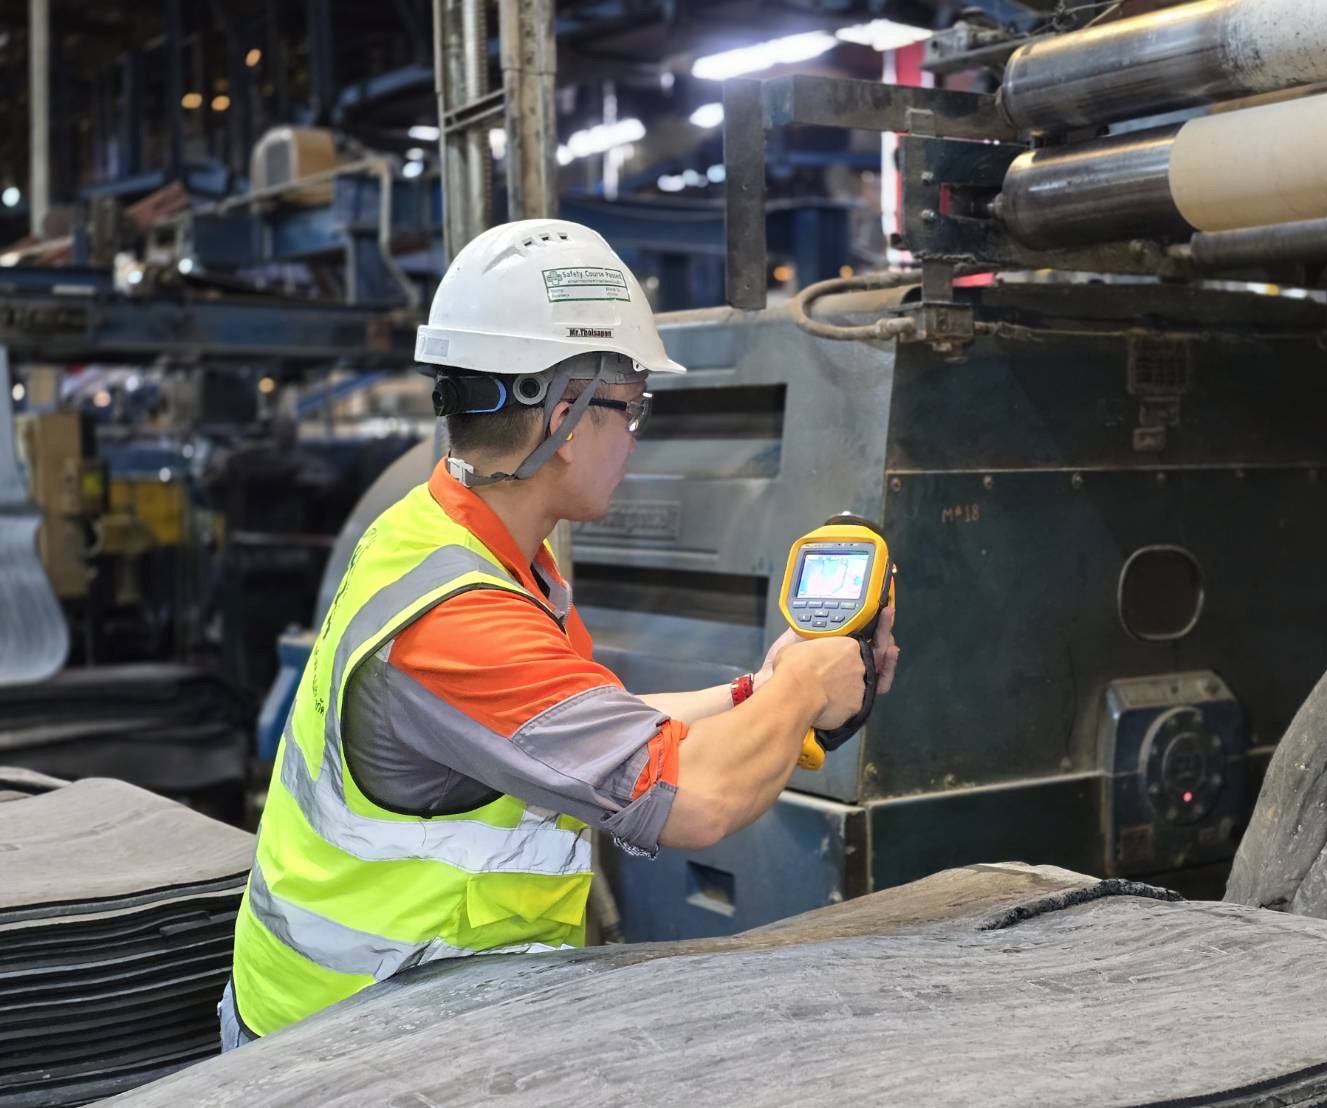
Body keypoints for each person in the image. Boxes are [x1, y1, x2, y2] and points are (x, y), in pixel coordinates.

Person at [220, 219, 899, 1049]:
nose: (634, 438)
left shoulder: (441, 537)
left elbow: (578, 731)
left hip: (387, 1015)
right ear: (567, 417)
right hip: (342, 1051)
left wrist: (754, 692)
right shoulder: (461, 618)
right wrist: (800, 688)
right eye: (632, 409)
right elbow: (700, 802)